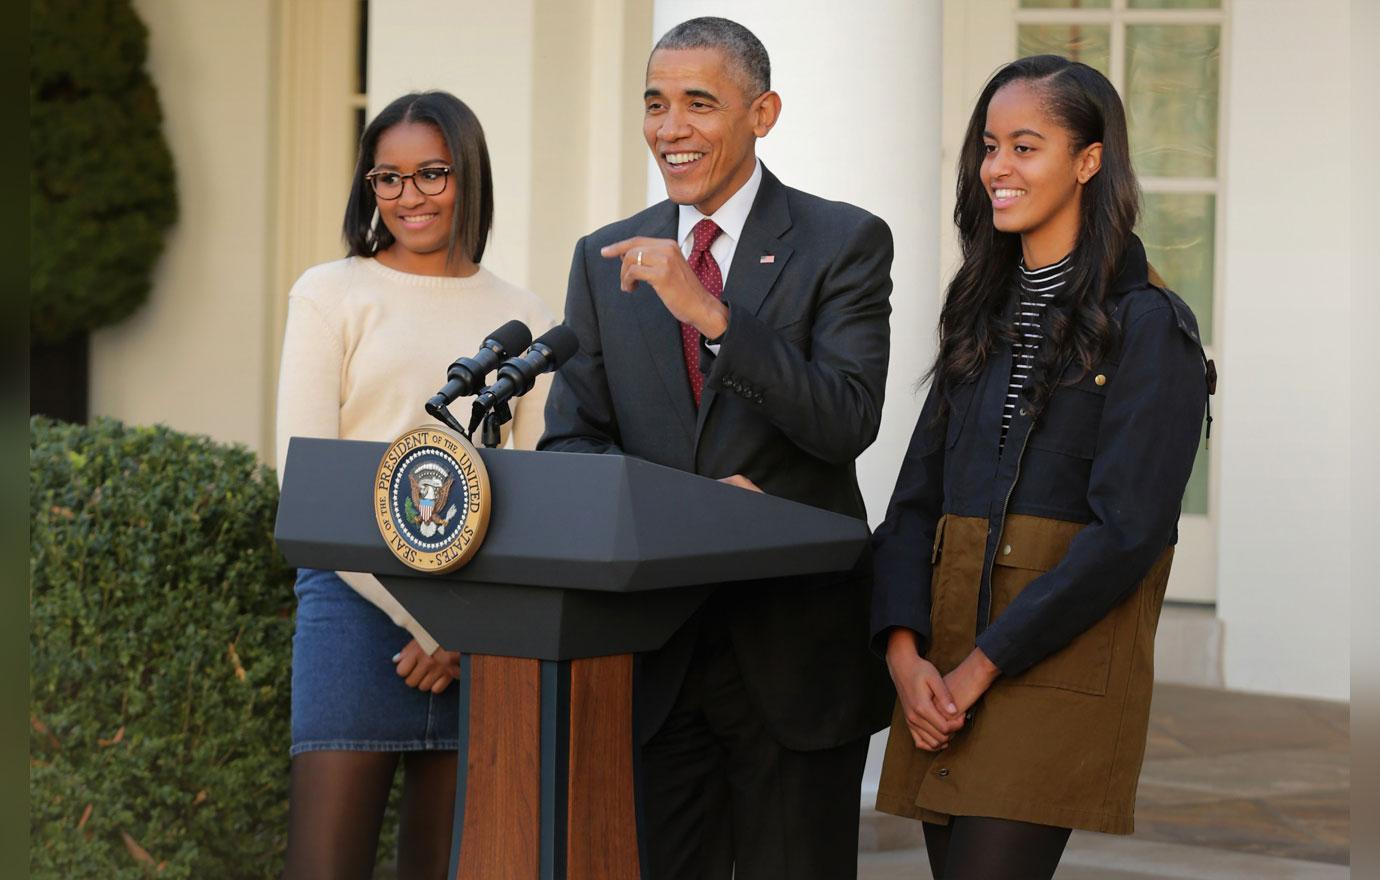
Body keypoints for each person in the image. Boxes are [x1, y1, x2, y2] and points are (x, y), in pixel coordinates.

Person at [539, 16, 895, 880]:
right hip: (656, 662)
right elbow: (570, 445)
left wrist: (713, 318)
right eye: (656, 104)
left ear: (762, 113)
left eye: (699, 103)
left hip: (794, 655)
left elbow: (848, 418)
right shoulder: (604, 259)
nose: (670, 128)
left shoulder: (843, 241)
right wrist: (677, 516)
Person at [869, 55, 1212, 880]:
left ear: (1089, 160)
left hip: (1050, 664)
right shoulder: (978, 311)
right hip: (945, 663)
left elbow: (1129, 531)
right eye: (991, 145)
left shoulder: (1150, 328)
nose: (997, 168)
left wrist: (983, 664)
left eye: (1027, 146)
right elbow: (916, 501)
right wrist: (905, 655)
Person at [275, 91, 555, 879]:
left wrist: (462, 629)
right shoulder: (331, 293)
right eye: (387, 179)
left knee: (448, 866)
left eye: (431, 173)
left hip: (476, 630)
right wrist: (420, 618)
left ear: (468, 175)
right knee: (323, 866)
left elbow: (529, 492)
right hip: (351, 602)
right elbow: (305, 479)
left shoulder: (521, 315)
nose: (408, 197)